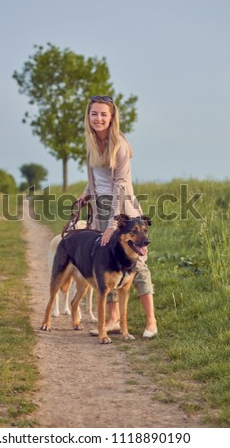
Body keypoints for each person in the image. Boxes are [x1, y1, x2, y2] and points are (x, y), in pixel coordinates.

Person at [78, 95, 157, 339]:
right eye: (94, 114)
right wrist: (85, 194)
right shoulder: (91, 143)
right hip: (101, 208)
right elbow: (96, 180)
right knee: (105, 261)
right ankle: (112, 319)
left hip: (122, 209)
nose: (98, 118)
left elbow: (120, 187)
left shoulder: (120, 146)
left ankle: (151, 322)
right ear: (88, 117)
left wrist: (114, 224)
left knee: (137, 264)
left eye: (103, 114)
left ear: (112, 118)